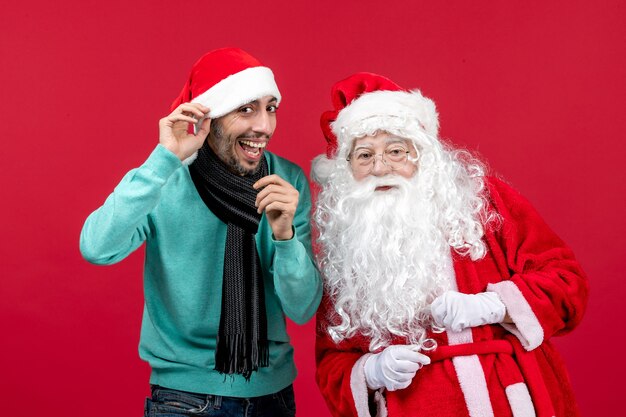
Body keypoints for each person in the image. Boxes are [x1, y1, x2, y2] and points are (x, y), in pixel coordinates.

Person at [312, 72, 588, 417]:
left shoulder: (483, 201)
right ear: (347, 169)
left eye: (396, 150)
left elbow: (567, 283)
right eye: (364, 156)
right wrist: (371, 371)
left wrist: (493, 306)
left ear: (423, 155)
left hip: (512, 401)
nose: (380, 167)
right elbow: (331, 364)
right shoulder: (348, 246)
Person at [80, 47, 322, 417]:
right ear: (211, 116)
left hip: (272, 395)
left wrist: (284, 236)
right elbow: (97, 247)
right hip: (184, 397)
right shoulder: (165, 178)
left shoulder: (285, 181)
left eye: (270, 108)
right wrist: (163, 160)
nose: (264, 126)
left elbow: (303, 308)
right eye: (246, 109)